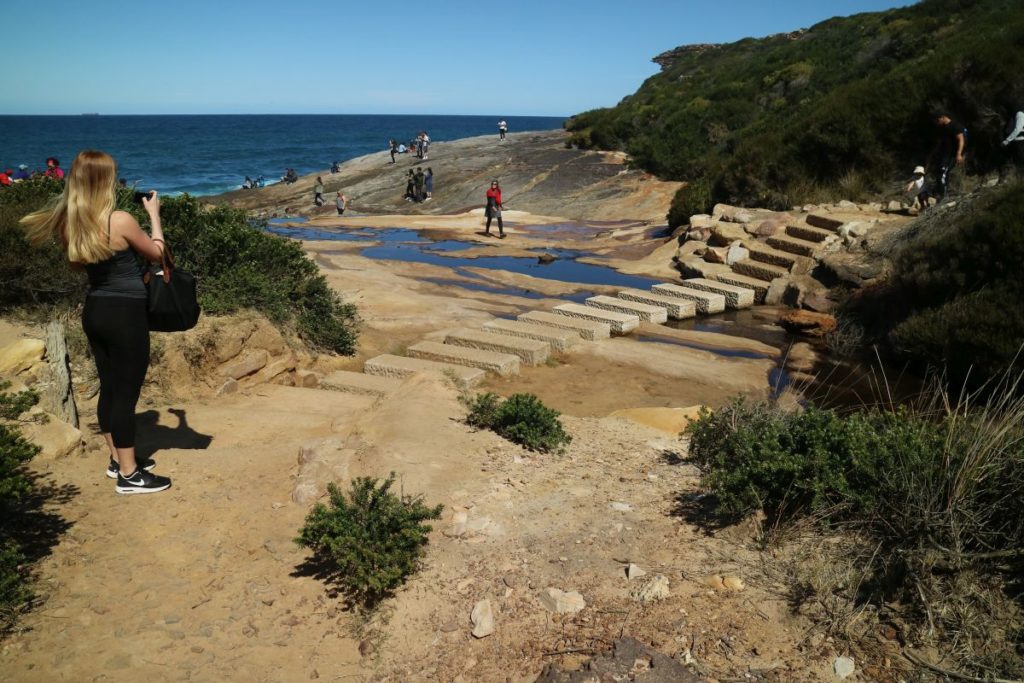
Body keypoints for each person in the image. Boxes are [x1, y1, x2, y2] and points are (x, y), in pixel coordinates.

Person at [20, 151, 172, 494]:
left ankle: (117, 459)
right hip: (125, 313)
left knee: (110, 387)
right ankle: (130, 476)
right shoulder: (118, 220)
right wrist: (154, 217)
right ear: (105, 181)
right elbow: (159, 254)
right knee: (125, 395)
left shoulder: (70, 221)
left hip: (96, 309)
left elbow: (81, 264)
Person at [929, 114, 966, 200]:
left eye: (938, 120)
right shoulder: (943, 128)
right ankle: (940, 193)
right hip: (945, 155)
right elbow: (941, 142)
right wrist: (934, 153)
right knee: (939, 173)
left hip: (952, 155)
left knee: (943, 173)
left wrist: (959, 154)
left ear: (943, 117)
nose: (937, 123)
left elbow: (961, 140)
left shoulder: (955, 126)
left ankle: (943, 196)